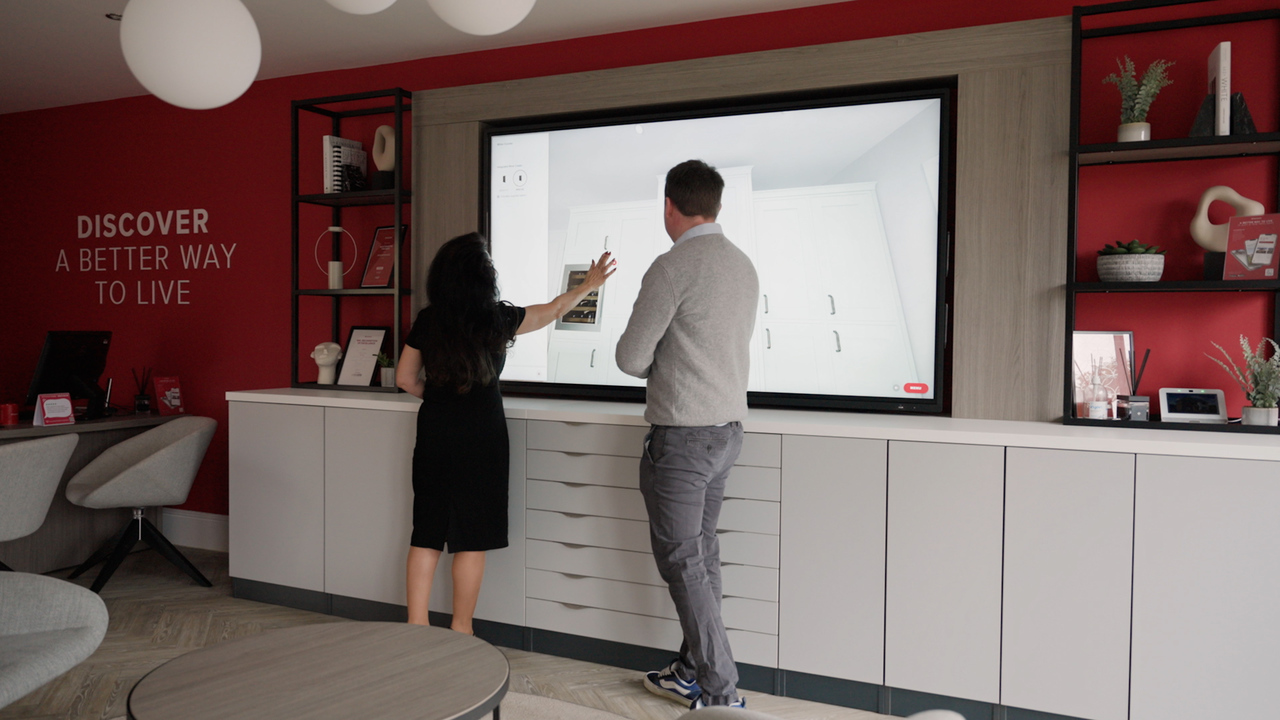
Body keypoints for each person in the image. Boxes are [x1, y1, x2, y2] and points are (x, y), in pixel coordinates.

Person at [397, 232, 614, 632]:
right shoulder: (497, 318)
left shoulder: (429, 320)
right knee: (472, 537)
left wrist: (439, 396)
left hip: (436, 431)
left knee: (427, 531)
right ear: (484, 278)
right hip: (483, 435)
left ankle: (416, 628)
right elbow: (552, 311)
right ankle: (462, 629)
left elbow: (405, 378)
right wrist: (588, 286)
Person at [616, 160, 760, 709]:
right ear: (715, 205)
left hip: (683, 439)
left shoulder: (673, 266)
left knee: (684, 562)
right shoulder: (742, 265)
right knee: (702, 555)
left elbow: (630, 357)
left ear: (670, 207)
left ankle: (721, 693)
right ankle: (688, 670)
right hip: (726, 434)